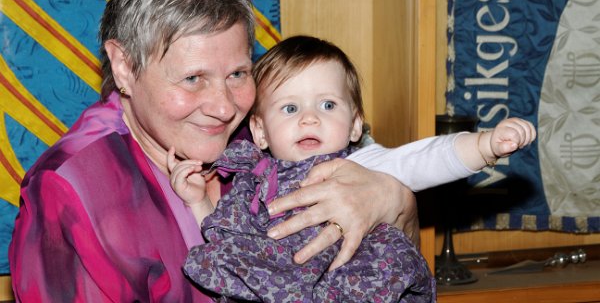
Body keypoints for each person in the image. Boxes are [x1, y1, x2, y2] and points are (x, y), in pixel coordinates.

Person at [8, 0, 424, 302]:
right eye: (193, 78)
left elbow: (399, 275)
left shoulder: (270, 132)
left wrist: (395, 200)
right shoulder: (71, 193)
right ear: (125, 66)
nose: (225, 108)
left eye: (238, 74)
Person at [169, 35, 537, 302]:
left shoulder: (361, 165)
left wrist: (485, 145)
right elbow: (227, 239)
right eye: (290, 108)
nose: (310, 118)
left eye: (328, 105)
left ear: (356, 124)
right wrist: (199, 202)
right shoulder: (253, 180)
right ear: (261, 131)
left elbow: (425, 158)